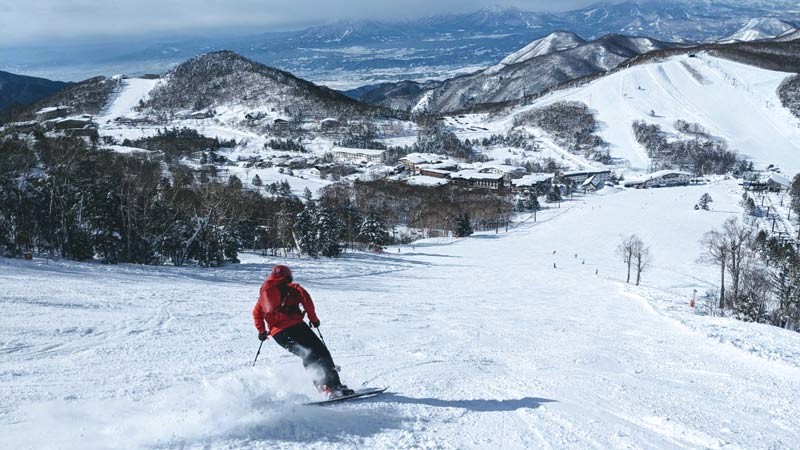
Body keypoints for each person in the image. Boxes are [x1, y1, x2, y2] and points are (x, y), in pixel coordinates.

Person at [252, 265, 354, 398]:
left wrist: (262, 331)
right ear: (288, 276)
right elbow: (307, 300)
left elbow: (256, 313)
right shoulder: (294, 289)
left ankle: (323, 387)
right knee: (320, 352)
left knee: (307, 355)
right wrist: (314, 320)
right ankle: (334, 387)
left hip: (279, 335)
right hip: (296, 327)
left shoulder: (264, 295)